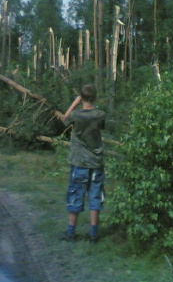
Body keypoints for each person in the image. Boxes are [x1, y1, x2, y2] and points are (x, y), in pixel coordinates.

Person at [59, 84, 106, 243]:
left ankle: (71, 232)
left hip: (79, 162)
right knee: (95, 196)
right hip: (96, 162)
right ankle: (93, 234)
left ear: (81, 98)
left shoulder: (76, 115)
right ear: (95, 98)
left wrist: (74, 103)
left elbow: (65, 118)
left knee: (75, 195)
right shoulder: (100, 115)